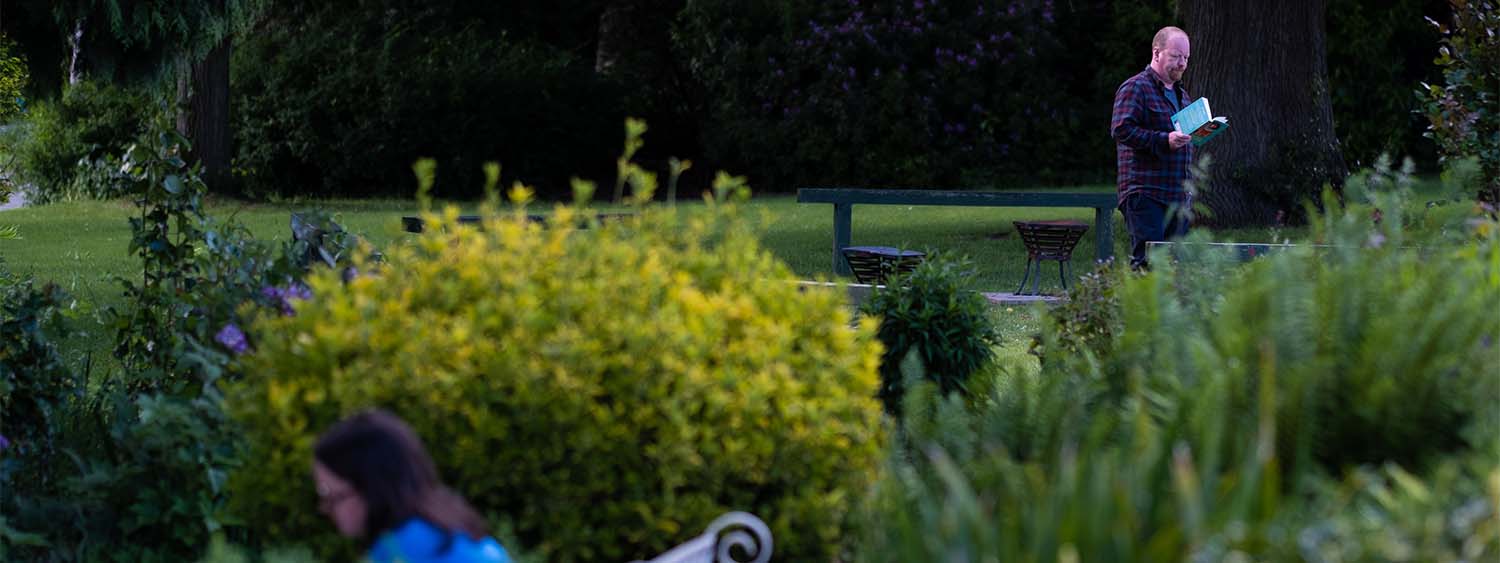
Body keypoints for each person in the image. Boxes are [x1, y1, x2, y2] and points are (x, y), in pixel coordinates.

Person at [313, 409, 512, 563]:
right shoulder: (442, 530)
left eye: (330, 494)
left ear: (370, 488)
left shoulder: (402, 550)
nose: (324, 508)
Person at [1111, 26, 1195, 270]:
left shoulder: (1182, 96)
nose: (1182, 63)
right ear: (1156, 53)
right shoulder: (1135, 87)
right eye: (1176, 56)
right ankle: (1136, 310)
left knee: (1173, 268)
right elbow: (1121, 130)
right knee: (1148, 265)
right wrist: (1163, 140)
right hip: (1146, 193)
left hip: (1178, 195)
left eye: (1186, 58)